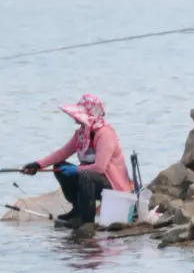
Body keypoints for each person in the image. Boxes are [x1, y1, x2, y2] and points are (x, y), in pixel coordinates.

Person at [21, 94, 132, 229]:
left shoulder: (105, 134)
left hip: (113, 187)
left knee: (85, 175)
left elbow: (100, 168)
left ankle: (87, 221)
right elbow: (62, 153)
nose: (75, 117)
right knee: (59, 167)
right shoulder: (82, 134)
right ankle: (77, 210)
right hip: (91, 181)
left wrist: (76, 170)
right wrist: (38, 165)